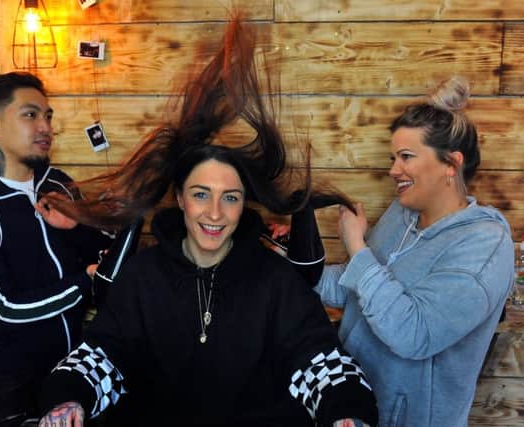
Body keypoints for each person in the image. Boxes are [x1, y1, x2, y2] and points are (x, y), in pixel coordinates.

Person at [37, 16, 378, 427]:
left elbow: (318, 360)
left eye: (230, 198)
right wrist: (70, 399)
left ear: (243, 205)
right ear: (180, 198)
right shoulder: (144, 275)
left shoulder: (274, 279)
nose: (215, 213)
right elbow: (105, 356)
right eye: (201, 195)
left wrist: (345, 413)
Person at [313, 76, 514, 426]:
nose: (393, 170)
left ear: (451, 164)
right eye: (394, 157)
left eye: (406, 157)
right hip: (352, 404)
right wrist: (293, 261)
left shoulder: (485, 245)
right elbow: (354, 288)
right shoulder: (403, 213)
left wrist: (357, 247)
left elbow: (414, 335)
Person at [0, 72, 113, 427]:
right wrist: (84, 282)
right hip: (10, 385)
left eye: (47, 116)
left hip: (75, 369)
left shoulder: (59, 184)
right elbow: (3, 309)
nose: (45, 126)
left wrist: (77, 227)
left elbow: (104, 252)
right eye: (30, 115)